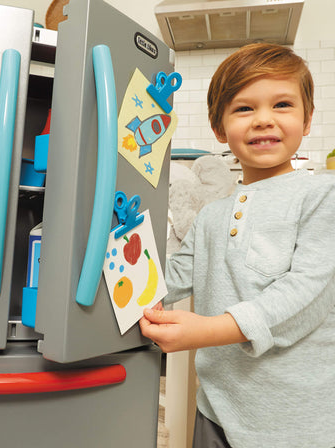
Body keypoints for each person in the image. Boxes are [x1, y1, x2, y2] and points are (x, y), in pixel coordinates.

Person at [139, 43, 335, 448]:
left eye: (282, 105)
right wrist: (116, 261)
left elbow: (304, 297)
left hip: (296, 424)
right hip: (216, 411)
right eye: (244, 108)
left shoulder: (322, 195)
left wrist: (207, 331)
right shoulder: (212, 215)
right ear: (219, 127)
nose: (263, 119)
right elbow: (172, 278)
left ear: (307, 119)